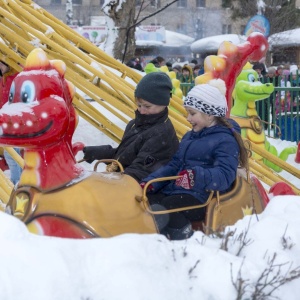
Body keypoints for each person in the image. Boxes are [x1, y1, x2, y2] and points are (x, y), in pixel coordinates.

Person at [140, 79, 249, 240]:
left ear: (210, 114)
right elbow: (175, 165)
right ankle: (155, 239)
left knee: (167, 207)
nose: (188, 118)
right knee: (149, 201)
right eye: (187, 113)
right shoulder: (190, 137)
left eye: (192, 113)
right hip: (179, 190)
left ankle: (185, 237)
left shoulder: (225, 140)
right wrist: (151, 182)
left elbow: (225, 175)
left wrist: (195, 176)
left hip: (204, 197)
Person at [83, 72, 179, 182]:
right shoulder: (135, 124)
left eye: (147, 106)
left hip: (148, 191)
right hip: (127, 182)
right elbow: (124, 155)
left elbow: (141, 171)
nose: (142, 111)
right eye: (139, 105)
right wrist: (99, 152)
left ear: (163, 104)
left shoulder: (161, 133)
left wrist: (112, 182)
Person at [0, 60, 22, 184]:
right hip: (6, 121)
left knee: (13, 154)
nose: (0, 67)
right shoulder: (5, 77)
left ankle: (17, 182)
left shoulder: (17, 76)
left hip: (16, 121)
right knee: (13, 155)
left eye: (1, 64)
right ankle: (19, 182)